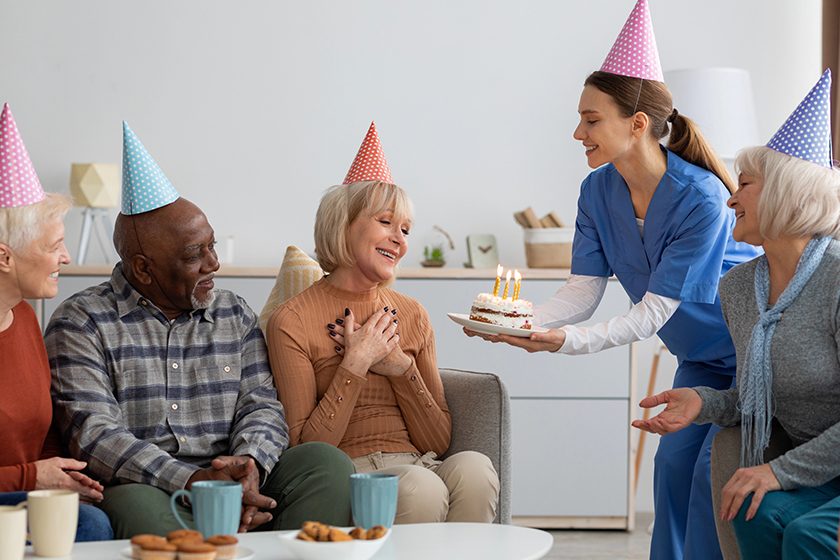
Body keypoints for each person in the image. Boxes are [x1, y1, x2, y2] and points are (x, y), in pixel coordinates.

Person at [464, 2, 759, 558]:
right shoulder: (596, 192)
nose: (578, 132)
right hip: (697, 359)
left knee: (705, 479)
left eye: (591, 119)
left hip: (749, 353)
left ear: (638, 123)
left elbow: (654, 311)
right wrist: (521, 322)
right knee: (671, 468)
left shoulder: (700, 199)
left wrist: (566, 343)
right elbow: (583, 289)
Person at [45, 122, 354, 538]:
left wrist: (248, 470)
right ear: (143, 268)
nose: (214, 264)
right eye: (196, 255)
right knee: (129, 503)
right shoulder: (81, 322)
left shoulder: (232, 312)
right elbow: (95, 436)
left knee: (325, 464)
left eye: (212, 245)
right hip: (153, 489)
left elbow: (261, 406)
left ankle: (243, 523)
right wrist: (193, 483)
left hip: (234, 479)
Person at [635, 70, 840, 560]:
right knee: (753, 510)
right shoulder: (740, 288)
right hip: (817, 468)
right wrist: (702, 404)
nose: (729, 197)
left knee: (807, 533)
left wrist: (777, 473)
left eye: (744, 184)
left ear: (785, 195)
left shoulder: (836, 281)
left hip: (811, 468)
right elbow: (755, 404)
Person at [265, 123, 500, 524]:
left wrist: (401, 369)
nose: (400, 239)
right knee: (419, 486)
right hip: (350, 472)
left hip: (419, 463)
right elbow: (305, 446)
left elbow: (437, 441)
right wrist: (354, 364)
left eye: (405, 229)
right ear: (342, 224)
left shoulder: (412, 314)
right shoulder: (293, 319)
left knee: (476, 469)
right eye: (386, 222)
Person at [0, 102, 113, 541]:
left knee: (86, 515)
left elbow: (42, 430)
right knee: (88, 527)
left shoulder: (26, 319)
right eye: (55, 246)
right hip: (16, 492)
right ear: (4, 257)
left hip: (24, 493)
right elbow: (31, 467)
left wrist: (63, 478)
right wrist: (33, 477)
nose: (65, 258)